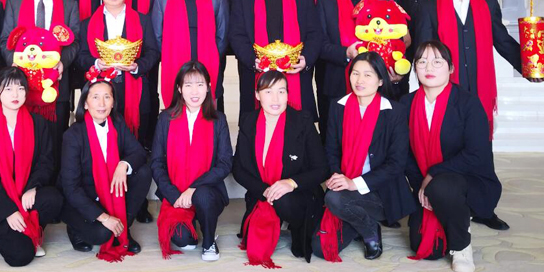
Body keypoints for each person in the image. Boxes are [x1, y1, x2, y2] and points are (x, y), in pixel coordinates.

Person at [417, 0, 542, 145]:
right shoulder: (429, 7)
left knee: (480, 138)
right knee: (447, 138)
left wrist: (529, 68)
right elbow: (424, 48)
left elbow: (503, 42)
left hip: (480, 83)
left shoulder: (488, 5)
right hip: (446, 84)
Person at [401, 41, 503, 272]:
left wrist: (433, 174)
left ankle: (461, 246)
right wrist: (422, 185)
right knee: (426, 249)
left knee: (442, 187)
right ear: (414, 68)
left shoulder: (468, 103)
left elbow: (476, 154)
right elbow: (403, 154)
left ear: (451, 68)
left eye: (437, 62)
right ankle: (451, 213)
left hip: (468, 181)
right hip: (425, 183)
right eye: (422, 62)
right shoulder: (406, 104)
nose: (429, 67)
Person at [312, 52, 415, 262]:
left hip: (382, 192)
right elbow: (331, 150)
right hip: (345, 189)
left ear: (380, 80)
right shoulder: (337, 106)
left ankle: (369, 231)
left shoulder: (395, 111)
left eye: (368, 75)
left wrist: (354, 183)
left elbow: (396, 163)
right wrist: (337, 177)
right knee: (320, 248)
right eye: (355, 73)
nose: (360, 80)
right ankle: (362, 222)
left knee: (334, 199)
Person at [233, 70, 328, 265]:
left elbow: (322, 169)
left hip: (298, 194)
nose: (275, 99)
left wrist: (291, 183)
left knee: (284, 200)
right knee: (253, 240)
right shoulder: (248, 121)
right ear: (257, 95)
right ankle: (277, 215)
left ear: (287, 94)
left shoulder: (303, 121)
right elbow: (238, 169)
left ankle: (297, 226)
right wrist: (264, 190)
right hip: (262, 193)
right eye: (268, 92)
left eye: (281, 91)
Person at [0, 67, 64, 267]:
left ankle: (34, 232)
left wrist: (33, 187)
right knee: (20, 257)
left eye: (20, 88)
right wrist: (8, 211)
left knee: (54, 198)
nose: (15, 94)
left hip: (26, 195)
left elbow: (46, 162)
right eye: (8, 89)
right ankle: (0, 233)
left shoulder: (38, 123)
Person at [0, 0, 80, 168]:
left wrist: (62, 63)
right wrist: (15, 63)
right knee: (23, 140)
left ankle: (52, 183)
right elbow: (5, 39)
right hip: (21, 85)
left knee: (54, 140)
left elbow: (74, 42)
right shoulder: (14, 3)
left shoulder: (69, 5)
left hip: (56, 85)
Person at [229, 0, 323, 124]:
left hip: (295, 72)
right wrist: (253, 61)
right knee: (256, 126)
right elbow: (236, 35)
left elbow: (315, 33)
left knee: (298, 127)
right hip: (256, 71)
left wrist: (306, 59)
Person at [60, 78, 152, 261]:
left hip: (110, 191)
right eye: (95, 97)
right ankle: (75, 229)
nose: (101, 103)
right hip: (82, 198)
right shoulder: (73, 135)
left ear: (113, 102)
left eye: (107, 97)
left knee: (143, 172)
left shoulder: (117, 123)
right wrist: (103, 217)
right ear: (85, 103)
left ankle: (123, 228)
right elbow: (71, 189)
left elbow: (139, 153)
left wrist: (123, 164)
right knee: (101, 234)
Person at [316, 0, 401, 140]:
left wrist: (396, 69)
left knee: (379, 139)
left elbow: (399, 40)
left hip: (380, 81)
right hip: (337, 82)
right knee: (337, 140)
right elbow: (320, 44)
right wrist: (346, 53)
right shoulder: (325, 2)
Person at [151, 61, 233, 261]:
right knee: (184, 241)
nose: (194, 91)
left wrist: (193, 188)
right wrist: (173, 194)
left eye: (200, 84)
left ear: (208, 87)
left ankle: (209, 241)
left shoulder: (218, 120)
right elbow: (156, 162)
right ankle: (193, 220)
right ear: (179, 88)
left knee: (203, 197)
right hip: (176, 194)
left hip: (207, 191)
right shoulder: (166, 119)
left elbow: (225, 163)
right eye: (188, 85)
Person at [77, 0, 159, 143]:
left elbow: (153, 52)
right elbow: (81, 56)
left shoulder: (142, 20)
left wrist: (137, 66)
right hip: (101, 87)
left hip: (134, 85)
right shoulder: (87, 24)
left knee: (136, 138)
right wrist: (96, 63)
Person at [151, 0, 228, 108]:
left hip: (208, 65)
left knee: (208, 114)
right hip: (174, 66)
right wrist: (170, 56)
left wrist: (211, 56)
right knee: (176, 114)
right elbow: (157, 37)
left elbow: (222, 36)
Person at [112, 0, 168, 148]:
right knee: (117, 89)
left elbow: (159, 8)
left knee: (149, 89)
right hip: (117, 37)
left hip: (147, 38)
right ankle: (119, 137)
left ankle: (147, 139)